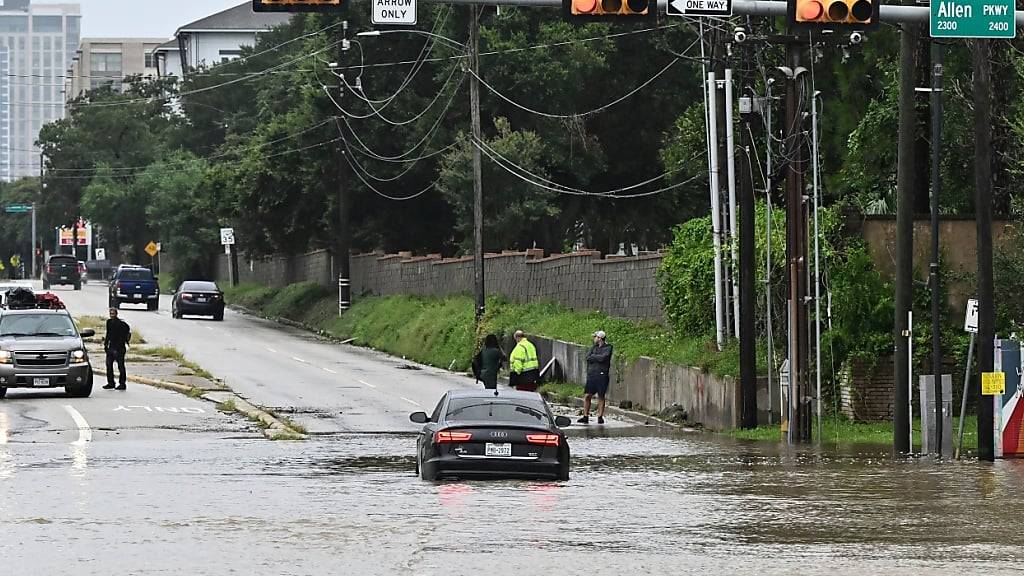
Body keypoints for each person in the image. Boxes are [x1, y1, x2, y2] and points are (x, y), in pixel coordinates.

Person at [579, 330, 613, 425]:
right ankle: (585, 416)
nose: (594, 339)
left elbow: (603, 358)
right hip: (592, 375)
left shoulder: (608, 347)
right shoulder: (593, 347)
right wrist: (596, 357)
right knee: (587, 395)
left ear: (600, 338)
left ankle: (600, 416)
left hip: (602, 375)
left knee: (601, 396)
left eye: (595, 337)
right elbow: (588, 357)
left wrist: (594, 357)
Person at [103, 307, 132, 390]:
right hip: (111, 347)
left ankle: (122, 383)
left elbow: (123, 337)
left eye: (113, 314)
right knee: (109, 365)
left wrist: (118, 348)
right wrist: (105, 344)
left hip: (119, 348)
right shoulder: (109, 322)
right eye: (110, 314)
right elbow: (108, 334)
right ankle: (111, 382)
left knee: (120, 366)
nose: (112, 315)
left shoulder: (122, 324)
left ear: (116, 314)